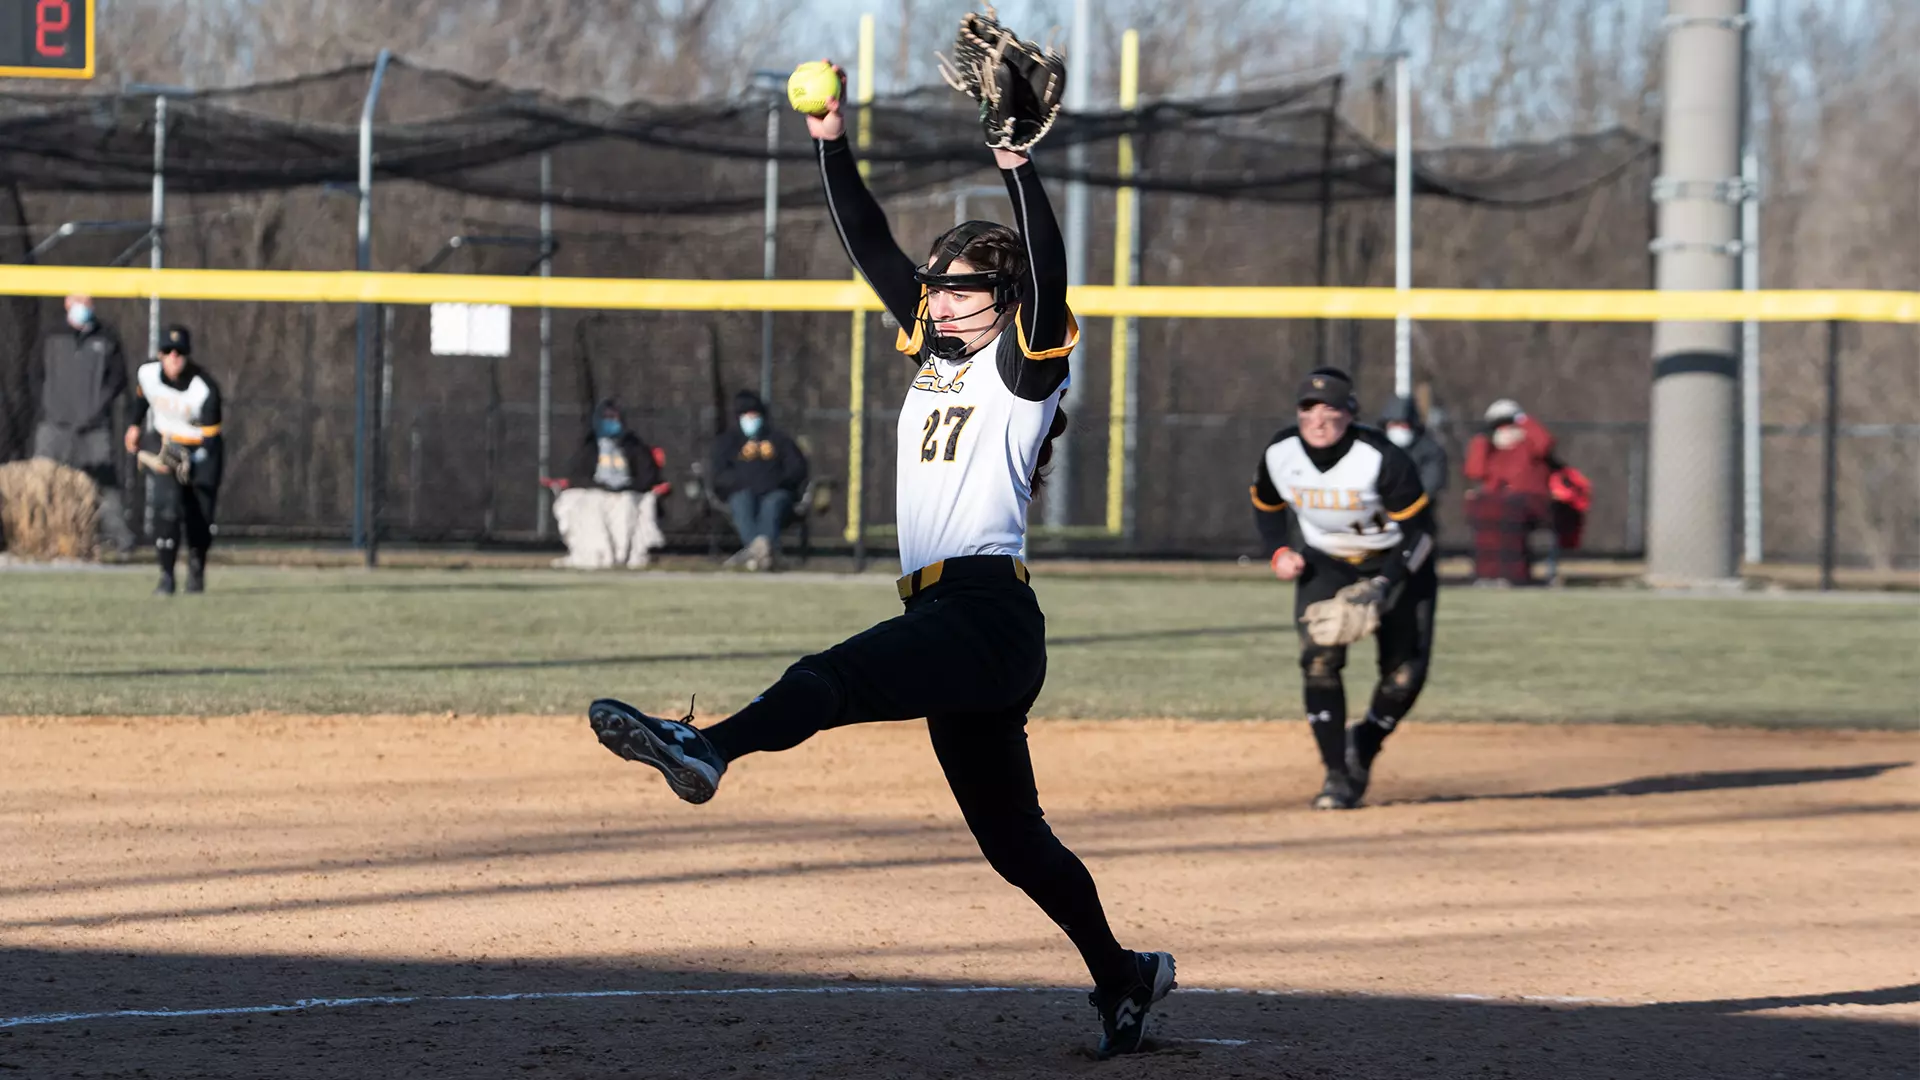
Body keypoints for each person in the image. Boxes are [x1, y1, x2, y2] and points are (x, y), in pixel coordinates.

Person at [587, 59, 1174, 1059]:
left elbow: (1049, 266)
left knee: (835, 677)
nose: (941, 302)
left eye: (964, 290)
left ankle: (708, 749)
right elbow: (869, 241)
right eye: (938, 288)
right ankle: (1123, 977)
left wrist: (1018, 164)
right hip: (960, 630)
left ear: (1006, 297)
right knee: (1013, 842)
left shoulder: (1023, 363)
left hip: (984, 612)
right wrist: (831, 140)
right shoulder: (940, 351)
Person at [1252, 367, 1437, 811]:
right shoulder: (1281, 452)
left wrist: (1383, 583)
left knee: (1404, 677)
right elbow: (1266, 504)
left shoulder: (1380, 457)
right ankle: (1337, 775)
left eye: (1329, 408)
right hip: (1326, 561)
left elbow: (1421, 534)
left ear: (1349, 413)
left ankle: (1368, 739)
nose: (1317, 419)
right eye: (1308, 408)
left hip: (1395, 562)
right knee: (1318, 661)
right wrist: (1279, 550)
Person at [33, 293, 136, 554]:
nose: (82, 305)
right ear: (67, 302)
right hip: (54, 425)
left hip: (94, 428)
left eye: (87, 300)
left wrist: (97, 408)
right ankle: (38, 538)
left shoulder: (107, 337)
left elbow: (118, 379)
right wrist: (50, 406)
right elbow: (34, 373)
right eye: (77, 299)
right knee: (43, 482)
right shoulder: (50, 335)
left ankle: (120, 539)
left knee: (103, 485)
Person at [126, 325, 223, 595]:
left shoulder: (204, 388)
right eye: (167, 351)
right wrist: (134, 425)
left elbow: (211, 439)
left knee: (199, 518)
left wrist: (195, 461)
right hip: (167, 445)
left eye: (179, 352)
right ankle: (166, 577)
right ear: (159, 354)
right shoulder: (147, 374)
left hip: (201, 451)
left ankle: (196, 570)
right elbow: (144, 396)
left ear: (188, 355)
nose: (173, 357)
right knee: (166, 509)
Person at [545, 400, 668, 570]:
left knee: (626, 506)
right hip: (596, 491)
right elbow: (577, 475)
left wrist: (627, 486)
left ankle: (622, 556)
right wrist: (600, 486)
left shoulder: (634, 446)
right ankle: (597, 555)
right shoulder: (589, 446)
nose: (611, 422)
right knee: (590, 505)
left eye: (614, 418)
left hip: (627, 492)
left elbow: (647, 476)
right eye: (607, 418)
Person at [708, 390, 808, 572]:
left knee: (773, 504)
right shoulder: (727, 442)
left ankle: (755, 554)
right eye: (747, 415)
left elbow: (797, 469)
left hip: (776, 491)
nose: (751, 419)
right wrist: (742, 483)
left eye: (755, 415)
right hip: (741, 491)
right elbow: (719, 475)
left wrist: (777, 482)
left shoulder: (780, 440)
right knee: (741, 502)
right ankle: (764, 552)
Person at [1463, 399, 1556, 585]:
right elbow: (1475, 471)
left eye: (1509, 425)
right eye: (1499, 427)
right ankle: (1487, 574)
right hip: (1499, 505)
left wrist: (1522, 419)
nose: (1505, 432)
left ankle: (1512, 574)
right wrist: (1480, 442)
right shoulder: (1494, 453)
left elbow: (1545, 442)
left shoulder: (1530, 447)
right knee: (1486, 510)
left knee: (1508, 510)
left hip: (1530, 504)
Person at [1379, 395, 1448, 509]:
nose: (1398, 429)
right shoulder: (1377, 448)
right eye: (1393, 424)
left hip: (1417, 514)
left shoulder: (1430, 451)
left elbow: (1431, 483)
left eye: (1402, 424)